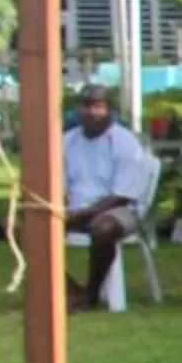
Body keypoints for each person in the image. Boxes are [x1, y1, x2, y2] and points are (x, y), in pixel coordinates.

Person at [60, 84, 154, 312]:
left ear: (109, 110)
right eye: (87, 106)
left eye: (99, 106)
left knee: (103, 228)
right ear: (78, 109)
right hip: (75, 210)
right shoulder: (67, 140)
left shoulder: (125, 142)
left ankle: (91, 294)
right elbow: (58, 185)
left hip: (118, 210)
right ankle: (70, 290)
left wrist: (86, 212)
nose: (92, 112)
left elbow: (122, 196)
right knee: (23, 227)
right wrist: (60, 207)